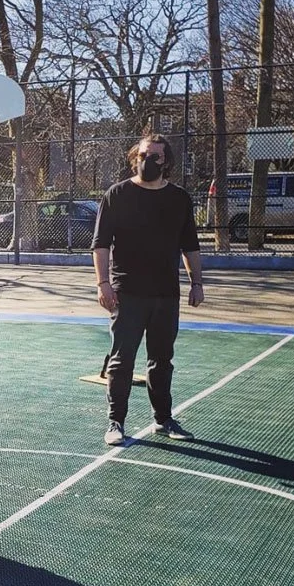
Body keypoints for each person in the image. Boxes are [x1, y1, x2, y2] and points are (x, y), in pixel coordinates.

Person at [91, 133, 204, 447]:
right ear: (134, 157)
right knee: (121, 359)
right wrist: (103, 284)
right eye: (143, 155)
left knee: (162, 360)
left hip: (166, 294)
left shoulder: (179, 198)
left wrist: (197, 282)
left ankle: (163, 419)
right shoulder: (117, 195)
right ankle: (116, 422)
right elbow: (100, 245)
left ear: (165, 161)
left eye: (155, 156)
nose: (148, 161)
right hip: (126, 293)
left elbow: (190, 245)